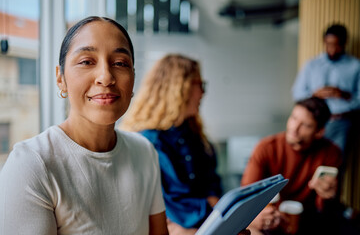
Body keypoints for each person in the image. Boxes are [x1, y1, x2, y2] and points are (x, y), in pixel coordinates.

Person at [0, 16, 169, 235]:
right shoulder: (33, 164)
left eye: (120, 63)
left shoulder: (144, 152)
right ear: (61, 78)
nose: (106, 77)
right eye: (87, 61)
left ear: (133, 77)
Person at [120, 54, 223, 234]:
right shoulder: (150, 142)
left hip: (205, 223)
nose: (203, 93)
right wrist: (214, 205)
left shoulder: (195, 137)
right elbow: (178, 208)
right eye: (200, 84)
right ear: (180, 88)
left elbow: (213, 185)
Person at [241, 97, 343, 235]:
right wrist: (258, 216)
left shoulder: (331, 153)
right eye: (294, 118)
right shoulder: (265, 148)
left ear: (319, 132)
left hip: (308, 221)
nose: (294, 128)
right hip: (269, 220)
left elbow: (326, 210)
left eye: (306, 125)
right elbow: (246, 199)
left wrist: (328, 197)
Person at [292, 24, 360, 158]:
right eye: (329, 44)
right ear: (324, 41)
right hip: (313, 123)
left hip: (340, 123)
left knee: (335, 166)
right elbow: (297, 92)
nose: (333, 50)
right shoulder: (312, 64)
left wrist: (345, 95)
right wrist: (314, 95)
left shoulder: (355, 66)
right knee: (309, 163)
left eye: (337, 45)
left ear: (344, 43)